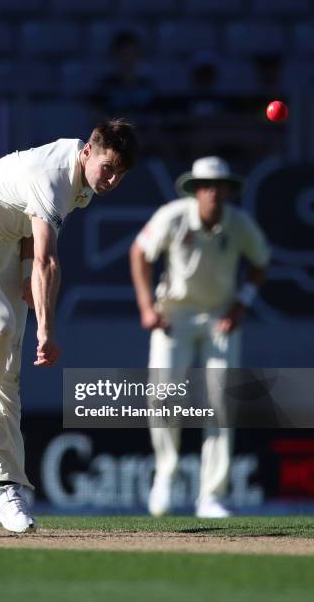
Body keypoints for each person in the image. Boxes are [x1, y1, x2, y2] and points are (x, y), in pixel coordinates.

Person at [0, 118, 137, 533]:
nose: (111, 180)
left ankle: (6, 488)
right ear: (87, 152)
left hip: (4, 248)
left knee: (8, 375)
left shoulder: (82, 186)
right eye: (107, 168)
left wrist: (24, 274)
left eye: (120, 174)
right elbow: (48, 260)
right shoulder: (53, 173)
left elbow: (30, 233)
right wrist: (46, 330)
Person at [130, 156, 270, 518]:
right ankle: (166, 472)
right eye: (205, 185)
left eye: (218, 186)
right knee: (162, 396)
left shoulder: (239, 225)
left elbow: (260, 261)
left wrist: (241, 304)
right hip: (174, 316)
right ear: (195, 189)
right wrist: (147, 307)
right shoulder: (173, 216)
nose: (212, 192)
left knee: (222, 403)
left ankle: (212, 495)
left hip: (220, 319)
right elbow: (139, 253)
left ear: (227, 190)